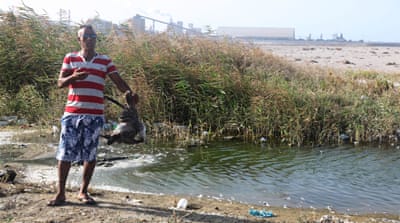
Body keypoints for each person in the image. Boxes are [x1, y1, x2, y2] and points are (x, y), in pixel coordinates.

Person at [48, 24, 137, 206]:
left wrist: (130, 94)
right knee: (65, 153)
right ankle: (61, 193)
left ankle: (83, 191)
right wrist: (74, 77)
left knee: (90, 154)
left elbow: (118, 81)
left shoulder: (104, 60)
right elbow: (60, 83)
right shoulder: (70, 58)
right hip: (72, 113)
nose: (90, 39)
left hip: (95, 114)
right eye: (86, 36)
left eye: (93, 36)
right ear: (79, 39)